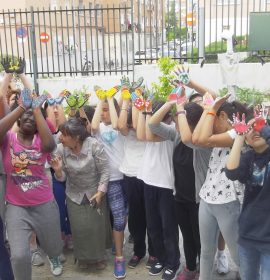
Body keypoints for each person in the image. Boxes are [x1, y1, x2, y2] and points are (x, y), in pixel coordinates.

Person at [0, 89, 63, 280]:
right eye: (24, 116)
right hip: (16, 207)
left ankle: (54, 257)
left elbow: (51, 146)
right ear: (18, 120)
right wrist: (21, 107)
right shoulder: (7, 141)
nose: (29, 118)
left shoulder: (41, 141)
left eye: (33, 117)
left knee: (54, 247)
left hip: (44, 204)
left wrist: (36, 109)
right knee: (19, 256)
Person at [192, 95, 247, 280]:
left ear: (222, 116)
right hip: (208, 199)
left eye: (213, 118)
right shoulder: (220, 134)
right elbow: (197, 137)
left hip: (228, 202)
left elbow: (204, 139)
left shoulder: (238, 133)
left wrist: (212, 108)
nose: (210, 123)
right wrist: (210, 110)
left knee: (239, 256)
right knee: (206, 253)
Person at [50, 117, 112, 270]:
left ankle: (98, 258)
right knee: (80, 228)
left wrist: (100, 192)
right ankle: (83, 258)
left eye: (64, 135)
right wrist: (58, 171)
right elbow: (63, 177)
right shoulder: (60, 150)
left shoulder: (94, 145)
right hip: (74, 193)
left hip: (95, 191)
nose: (60, 137)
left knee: (96, 227)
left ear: (76, 137)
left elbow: (105, 171)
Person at [136, 99, 180, 280]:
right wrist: (144, 111)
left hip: (166, 184)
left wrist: (171, 103)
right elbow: (141, 134)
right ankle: (161, 259)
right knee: (153, 227)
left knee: (168, 228)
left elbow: (149, 134)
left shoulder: (172, 130)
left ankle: (173, 262)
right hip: (148, 180)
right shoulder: (151, 125)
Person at [225, 113, 270, 280]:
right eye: (251, 129)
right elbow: (231, 172)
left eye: (260, 127)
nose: (255, 131)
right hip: (248, 234)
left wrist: (262, 126)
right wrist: (240, 135)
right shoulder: (248, 158)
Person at [117, 92, 156, 269]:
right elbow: (121, 123)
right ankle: (139, 251)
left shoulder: (149, 128)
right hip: (130, 176)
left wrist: (142, 108)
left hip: (148, 176)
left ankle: (154, 252)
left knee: (151, 217)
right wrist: (127, 99)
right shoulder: (124, 130)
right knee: (135, 218)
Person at [91, 90, 127, 279]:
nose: (104, 113)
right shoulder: (99, 131)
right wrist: (101, 100)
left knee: (123, 214)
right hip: (111, 180)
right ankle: (119, 258)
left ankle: (117, 243)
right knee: (119, 218)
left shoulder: (119, 125)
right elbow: (94, 124)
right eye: (102, 110)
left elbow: (116, 123)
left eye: (107, 110)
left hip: (128, 177)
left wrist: (111, 102)